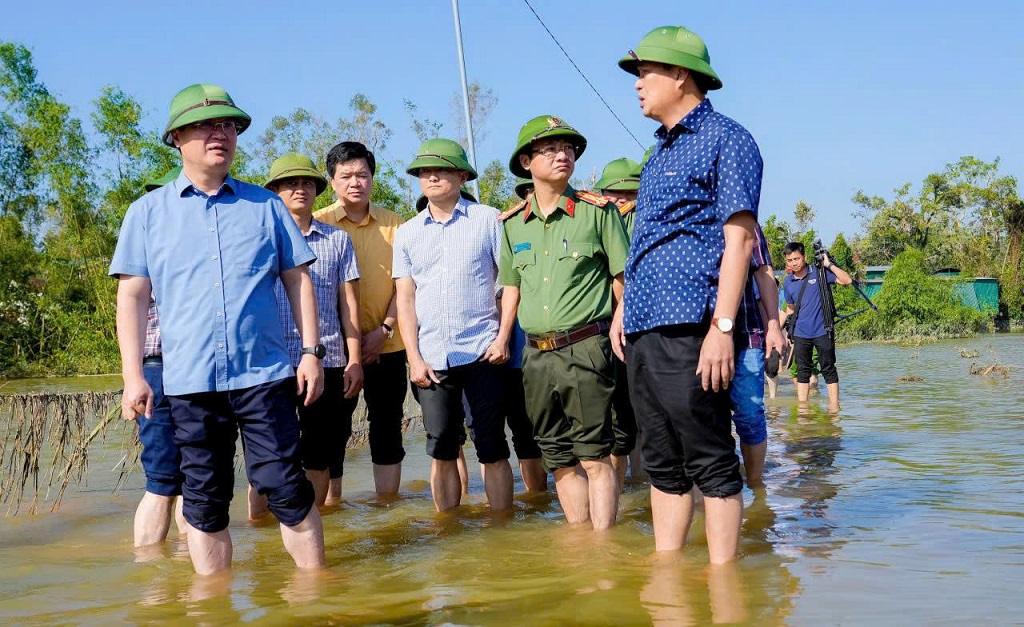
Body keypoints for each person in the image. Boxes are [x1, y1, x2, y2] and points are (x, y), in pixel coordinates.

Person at [111, 84, 326, 575]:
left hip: (263, 375)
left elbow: (298, 279)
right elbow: (133, 296)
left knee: (286, 488)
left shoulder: (265, 207)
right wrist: (133, 376)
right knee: (204, 503)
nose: (221, 134)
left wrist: (311, 351)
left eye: (229, 126)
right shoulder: (146, 213)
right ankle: (214, 610)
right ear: (176, 138)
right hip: (188, 382)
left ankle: (318, 596)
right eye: (208, 125)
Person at [611, 26, 762, 563]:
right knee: (659, 460)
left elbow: (739, 240)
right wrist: (624, 309)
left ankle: (725, 586)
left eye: (644, 72)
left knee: (710, 455)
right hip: (645, 327)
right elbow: (646, 239)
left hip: (691, 325)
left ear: (680, 75)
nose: (636, 85)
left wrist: (723, 329)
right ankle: (669, 575)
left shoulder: (728, 138)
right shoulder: (655, 155)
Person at [499, 115, 630, 529]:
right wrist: (504, 338)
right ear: (525, 162)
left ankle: (604, 545)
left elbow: (623, 277)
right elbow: (512, 289)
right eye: (551, 150)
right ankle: (580, 541)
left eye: (569, 149)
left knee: (594, 455)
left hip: (586, 346)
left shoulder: (598, 213)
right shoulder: (512, 223)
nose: (563, 156)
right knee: (558, 457)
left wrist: (618, 325)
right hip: (535, 355)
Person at [393, 138, 515, 512]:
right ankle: (447, 530)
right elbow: (405, 299)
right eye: (424, 172)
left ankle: (501, 528)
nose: (432, 177)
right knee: (442, 446)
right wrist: (413, 357)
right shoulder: (408, 232)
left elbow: (509, 284)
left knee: (492, 445)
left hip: (483, 351)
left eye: (442, 169)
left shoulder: (489, 220)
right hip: (432, 357)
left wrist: (504, 337)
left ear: (461, 176)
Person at [248, 153, 362, 514]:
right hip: (270, 362)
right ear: (274, 192)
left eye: (307, 183)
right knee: (269, 456)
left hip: (326, 359)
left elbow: (349, 307)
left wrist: (355, 359)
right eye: (290, 184)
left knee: (319, 454)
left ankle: (313, 527)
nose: (300, 189)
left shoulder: (337, 240)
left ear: (318, 190)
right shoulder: (257, 240)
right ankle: (261, 535)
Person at [314, 141, 407, 498]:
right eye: (346, 175)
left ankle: (388, 507)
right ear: (333, 181)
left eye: (363, 175)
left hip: (389, 343)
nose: (356, 182)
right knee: (332, 429)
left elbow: (406, 286)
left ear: (372, 178)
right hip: (335, 351)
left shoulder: (395, 225)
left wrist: (384, 330)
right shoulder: (318, 223)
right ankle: (331, 506)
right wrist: (350, 342)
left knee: (386, 425)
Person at [131, 166, 186, 549]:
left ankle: (185, 568)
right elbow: (130, 307)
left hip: (189, 369)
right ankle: (152, 575)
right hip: (160, 367)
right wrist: (132, 377)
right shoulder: (152, 246)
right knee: (163, 481)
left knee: (190, 477)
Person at [596, 157, 644, 487]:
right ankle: (628, 493)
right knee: (620, 420)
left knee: (632, 419)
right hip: (604, 333)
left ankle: (636, 489)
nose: (620, 202)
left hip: (637, 333)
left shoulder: (646, 221)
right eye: (614, 196)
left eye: (627, 196)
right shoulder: (598, 221)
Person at [731, 225, 784, 488]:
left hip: (746, 334)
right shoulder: (687, 209)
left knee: (750, 414)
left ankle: (756, 488)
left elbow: (764, 275)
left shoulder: (746, 221)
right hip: (696, 338)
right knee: (706, 420)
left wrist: (773, 326)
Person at [782, 241, 852, 411]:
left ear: (804, 256)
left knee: (828, 368)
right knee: (802, 372)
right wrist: (776, 331)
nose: (794, 263)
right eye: (790, 260)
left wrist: (829, 264)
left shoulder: (820, 273)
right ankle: (803, 410)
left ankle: (834, 408)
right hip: (800, 333)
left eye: (797, 259)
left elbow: (847, 280)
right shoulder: (788, 282)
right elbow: (790, 309)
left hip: (823, 330)